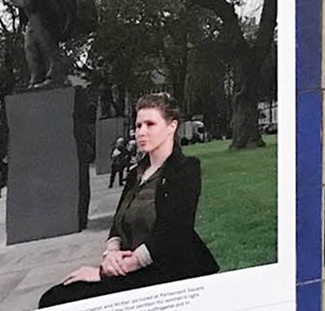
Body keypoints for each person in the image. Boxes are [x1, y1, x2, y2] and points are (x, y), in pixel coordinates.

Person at [39, 93, 219, 308]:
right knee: (55, 297)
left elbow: (173, 232)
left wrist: (108, 271)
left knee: (61, 300)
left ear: (171, 127)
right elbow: (117, 223)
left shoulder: (185, 169)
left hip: (165, 270)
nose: (141, 131)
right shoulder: (136, 173)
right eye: (138, 125)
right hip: (131, 267)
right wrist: (111, 254)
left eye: (150, 124)